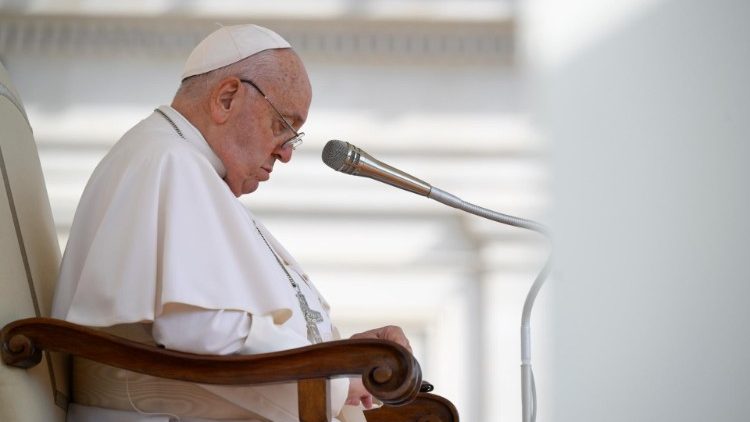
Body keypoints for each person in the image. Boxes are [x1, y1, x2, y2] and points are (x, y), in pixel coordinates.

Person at [51, 24, 412, 422]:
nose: (287, 154)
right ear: (226, 98)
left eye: (294, 137)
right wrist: (338, 376)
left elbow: (213, 324)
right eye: (282, 127)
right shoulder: (169, 162)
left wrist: (344, 356)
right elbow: (196, 331)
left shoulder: (186, 164)